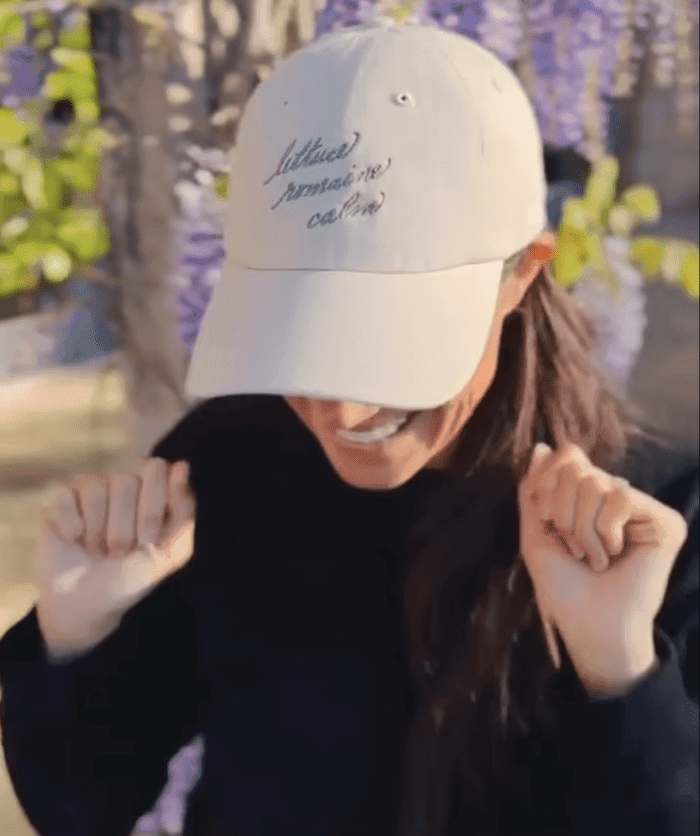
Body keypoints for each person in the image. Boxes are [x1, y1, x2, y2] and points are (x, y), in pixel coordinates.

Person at [0, 21, 697, 836]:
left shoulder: (658, 524)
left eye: (390, 343)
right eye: (301, 332)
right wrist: (76, 639)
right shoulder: (226, 463)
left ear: (521, 275)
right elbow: (79, 808)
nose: (341, 411)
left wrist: (619, 669)